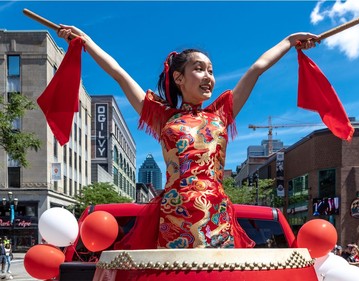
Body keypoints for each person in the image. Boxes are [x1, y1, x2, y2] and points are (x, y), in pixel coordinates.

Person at [58, 25, 317, 249]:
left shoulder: (221, 113)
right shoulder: (163, 117)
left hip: (216, 213)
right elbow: (119, 74)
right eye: (200, 69)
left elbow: (257, 68)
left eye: (211, 71)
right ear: (179, 77)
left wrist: (289, 40)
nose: (209, 77)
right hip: (173, 215)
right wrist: (86, 42)